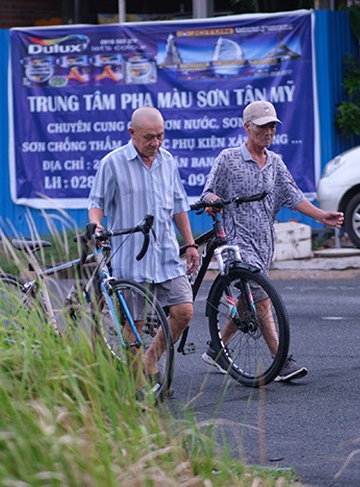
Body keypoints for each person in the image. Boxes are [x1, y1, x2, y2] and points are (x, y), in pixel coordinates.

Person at [200, 100, 344, 382]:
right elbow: (209, 193)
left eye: (273, 128)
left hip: (264, 242)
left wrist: (321, 216)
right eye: (263, 127)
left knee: (248, 297)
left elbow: (294, 195)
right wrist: (213, 201)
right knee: (261, 298)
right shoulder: (228, 159)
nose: (269, 132)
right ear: (247, 128)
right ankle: (282, 361)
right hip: (236, 240)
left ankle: (217, 349)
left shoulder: (275, 163)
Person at [88, 106, 200, 396]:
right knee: (134, 325)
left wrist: (189, 243)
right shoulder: (112, 163)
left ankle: (150, 360)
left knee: (184, 311)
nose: (156, 143)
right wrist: (96, 225)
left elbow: (178, 205)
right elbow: (96, 202)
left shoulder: (168, 161)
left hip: (165, 253)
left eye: (161, 136)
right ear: (132, 134)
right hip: (132, 256)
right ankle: (138, 387)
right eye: (149, 137)